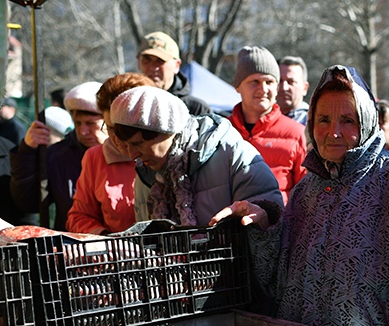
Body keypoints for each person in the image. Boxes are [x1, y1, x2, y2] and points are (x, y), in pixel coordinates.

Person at [212, 65, 389, 326]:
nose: (334, 132)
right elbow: (279, 282)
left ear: (367, 121)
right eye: (324, 120)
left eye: (348, 120)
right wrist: (265, 227)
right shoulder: (308, 189)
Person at [110, 85, 283, 226]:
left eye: (138, 144)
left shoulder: (234, 155)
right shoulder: (146, 173)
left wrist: (262, 216)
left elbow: (274, 222)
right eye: (126, 145)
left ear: (168, 132)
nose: (133, 155)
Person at [10, 81, 107, 230]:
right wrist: (27, 152)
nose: (83, 132)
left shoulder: (130, 153)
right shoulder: (57, 156)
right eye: (78, 123)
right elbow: (28, 202)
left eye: (90, 123)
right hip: (72, 247)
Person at [66, 73, 154, 235]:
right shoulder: (95, 157)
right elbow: (79, 216)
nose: (118, 138)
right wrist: (106, 238)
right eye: (110, 128)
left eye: (124, 129)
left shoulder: (167, 155)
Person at [229, 46, 307, 204]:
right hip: (226, 225)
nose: (263, 89)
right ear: (238, 86)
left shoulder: (297, 133)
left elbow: (307, 194)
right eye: (254, 81)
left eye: (269, 82)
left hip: (279, 226)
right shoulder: (222, 132)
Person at [137, 31, 211, 116]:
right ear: (138, 62)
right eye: (147, 60)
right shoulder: (129, 104)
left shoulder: (197, 110)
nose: (153, 67)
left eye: (160, 61)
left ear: (176, 65)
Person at [277, 56, 310, 125]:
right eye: (280, 81)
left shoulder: (312, 122)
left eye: (291, 82)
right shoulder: (260, 117)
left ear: (305, 88)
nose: (284, 88)